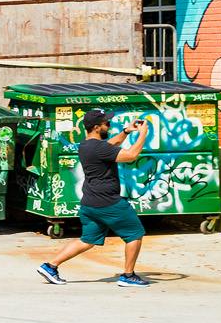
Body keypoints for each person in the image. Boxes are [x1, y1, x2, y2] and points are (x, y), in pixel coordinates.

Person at [38, 110, 152, 286]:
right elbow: (130, 156)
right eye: (107, 123)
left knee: (87, 240)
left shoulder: (86, 145)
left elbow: (111, 145)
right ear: (97, 127)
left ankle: (50, 266)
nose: (110, 126)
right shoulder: (100, 148)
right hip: (109, 203)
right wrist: (143, 134)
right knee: (134, 234)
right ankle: (128, 276)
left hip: (90, 203)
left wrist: (127, 131)